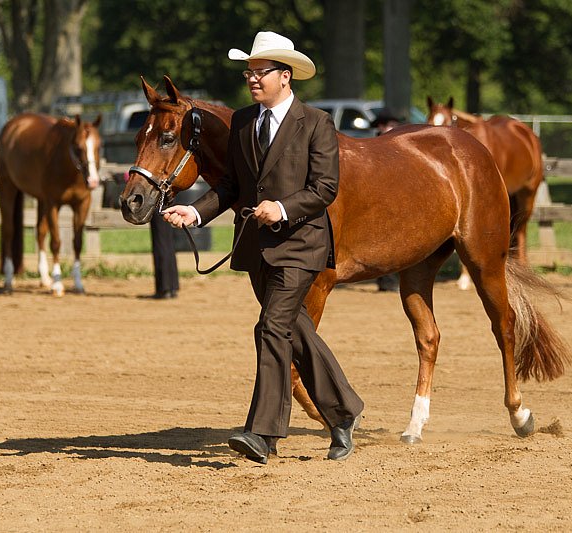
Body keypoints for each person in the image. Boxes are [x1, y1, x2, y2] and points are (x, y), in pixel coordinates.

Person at [162, 31, 364, 464]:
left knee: (271, 328)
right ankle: (344, 409)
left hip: (302, 243)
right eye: (249, 72)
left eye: (261, 72)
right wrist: (195, 213)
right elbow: (232, 185)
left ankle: (264, 432)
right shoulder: (241, 122)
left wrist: (284, 208)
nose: (252, 79)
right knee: (294, 330)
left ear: (285, 77)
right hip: (257, 248)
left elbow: (325, 188)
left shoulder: (317, 123)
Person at [370, 108, 404, 292]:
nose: (393, 128)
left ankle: (390, 279)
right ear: (381, 126)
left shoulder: (397, 145)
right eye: (390, 125)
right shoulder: (371, 145)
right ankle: (385, 280)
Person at [150, 210, 179, 299]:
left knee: (160, 240)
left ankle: (163, 288)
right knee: (168, 240)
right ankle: (172, 286)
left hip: (159, 202)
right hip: (168, 202)